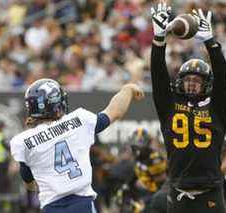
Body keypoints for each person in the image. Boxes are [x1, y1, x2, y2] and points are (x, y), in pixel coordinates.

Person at [10, 78, 144, 213]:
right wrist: (128, 89)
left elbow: (28, 181)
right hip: (81, 204)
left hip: (51, 207)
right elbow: (114, 112)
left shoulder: (23, 141)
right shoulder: (79, 121)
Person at [150, 2, 226, 213]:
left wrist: (211, 43)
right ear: (179, 82)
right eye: (188, 80)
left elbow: (223, 79)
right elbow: (158, 78)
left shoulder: (216, 107)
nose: (192, 84)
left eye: (197, 81)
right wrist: (159, 41)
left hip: (211, 191)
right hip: (179, 192)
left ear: (206, 84)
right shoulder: (170, 106)